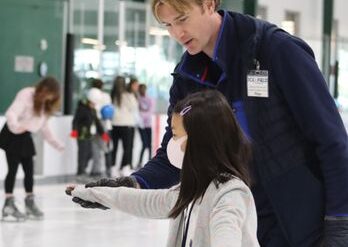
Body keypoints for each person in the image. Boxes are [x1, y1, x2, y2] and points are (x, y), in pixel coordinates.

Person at [69, 0, 348, 246]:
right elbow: (176, 154)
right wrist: (132, 184)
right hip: (240, 219)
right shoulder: (187, 78)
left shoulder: (274, 50)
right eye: (167, 25)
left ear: (209, 4)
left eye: (182, 19)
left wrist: (339, 222)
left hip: (304, 224)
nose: (177, 33)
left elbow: (332, 141)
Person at [67, 90, 259, 247]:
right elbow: (147, 201)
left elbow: (226, 236)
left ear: (200, 140)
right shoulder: (193, 189)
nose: (171, 144)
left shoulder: (229, 195)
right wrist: (97, 193)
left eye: (175, 135)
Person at [0, 76, 64, 221]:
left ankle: (29, 202)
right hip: (12, 135)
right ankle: (8, 205)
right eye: (49, 93)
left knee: (29, 170)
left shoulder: (45, 105)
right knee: (13, 169)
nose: (50, 97)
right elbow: (12, 113)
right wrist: (16, 127)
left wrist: (57, 144)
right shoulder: (27, 94)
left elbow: (44, 128)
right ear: (44, 89)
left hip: (25, 136)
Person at [70, 88, 110, 180]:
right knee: (82, 154)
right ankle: (80, 172)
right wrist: (74, 130)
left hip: (89, 135)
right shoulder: (81, 109)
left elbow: (97, 123)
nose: (94, 105)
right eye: (93, 103)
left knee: (90, 153)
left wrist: (103, 134)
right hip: (82, 135)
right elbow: (75, 121)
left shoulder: (93, 110)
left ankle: (83, 170)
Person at [110, 76, 139, 176]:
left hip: (114, 124)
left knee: (114, 147)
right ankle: (124, 167)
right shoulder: (127, 95)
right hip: (126, 124)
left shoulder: (112, 94)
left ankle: (113, 167)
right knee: (127, 147)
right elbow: (134, 107)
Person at [137, 84, 154, 169]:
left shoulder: (150, 99)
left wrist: (142, 113)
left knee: (149, 144)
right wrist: (143, 113)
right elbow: (137, 112)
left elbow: (150, 111)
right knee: (144, 144)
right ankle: (139, 162)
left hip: (148, 125)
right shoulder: (137, 99)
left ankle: (150, 160)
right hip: (141, 126)